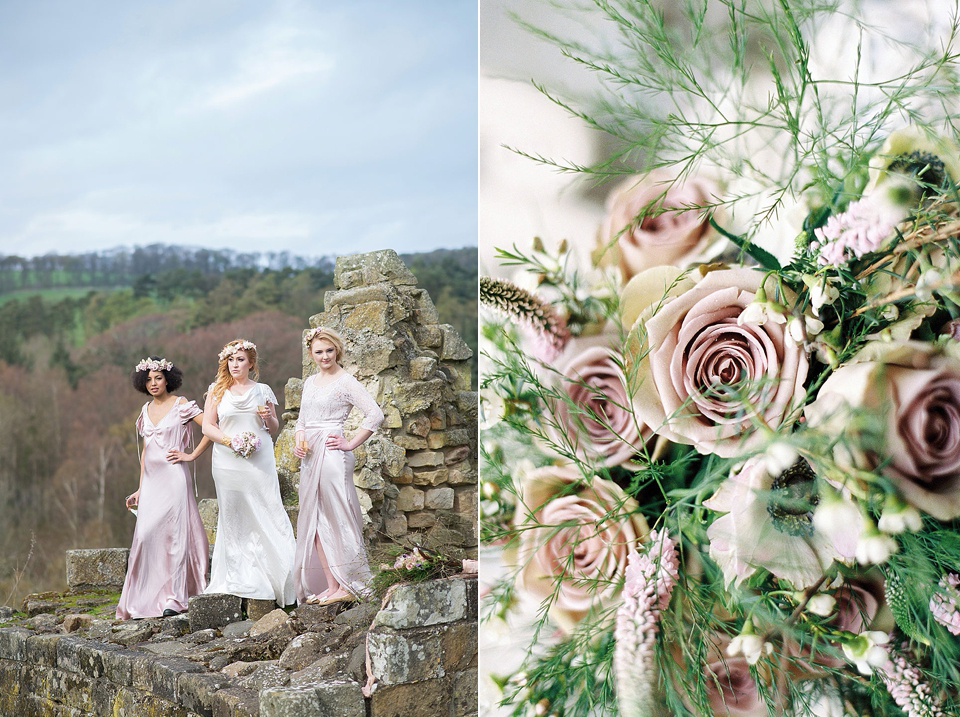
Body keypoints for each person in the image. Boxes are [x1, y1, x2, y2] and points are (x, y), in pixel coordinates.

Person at [293, 327, 384, 605]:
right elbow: (302, 421)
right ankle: (332, 586)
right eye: (319, 352)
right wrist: (299, 440)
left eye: (329, 350)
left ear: (337, 351)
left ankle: (351, 581)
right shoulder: (309, 382)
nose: (324, 356)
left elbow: (375, 414)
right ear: (311, 353)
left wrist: (351, 443)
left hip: (333, 455)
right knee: (316, 522)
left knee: (339, 516)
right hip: (310, 456)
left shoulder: (346, 381)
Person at [201, 339, 296, 606]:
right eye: (231, 360)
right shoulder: (216, 391)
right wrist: (230, 441)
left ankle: (280, 574)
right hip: (227, 460)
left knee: (268, 509)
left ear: (251, 363)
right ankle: (237, 575)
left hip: (260, 459)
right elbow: (208, 427)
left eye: (240, 360)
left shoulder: (262, 390)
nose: (235, 365)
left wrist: (268, 417)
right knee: (234, 516)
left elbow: (274, 427)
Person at [117, 357, 211, 620]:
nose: (153, 383)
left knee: (176, 536)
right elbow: (146, 451)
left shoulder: (181, 405)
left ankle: (176, 598)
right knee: (147, 535)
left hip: (174, 479)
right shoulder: (145, 410)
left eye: (158, 378)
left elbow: (211, 428)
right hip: (152, 483)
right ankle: (147, 597)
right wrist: (139, 489)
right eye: (148, 379)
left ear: (168, 379)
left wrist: (191, 455)